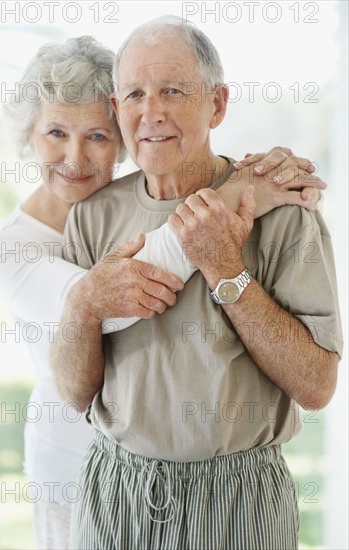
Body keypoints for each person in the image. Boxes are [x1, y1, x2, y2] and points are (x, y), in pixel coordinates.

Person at [50, 16, 343, 550]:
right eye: (135, 93)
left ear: (218, 103)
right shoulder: (91, 217)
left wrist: (227, 271)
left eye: (173, 90)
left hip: (240, 501)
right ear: (117, 110)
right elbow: (73, 393)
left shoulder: (282, 211)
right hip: (118, 494)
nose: (151, 112)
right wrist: (83, 306)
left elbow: (317, 386)